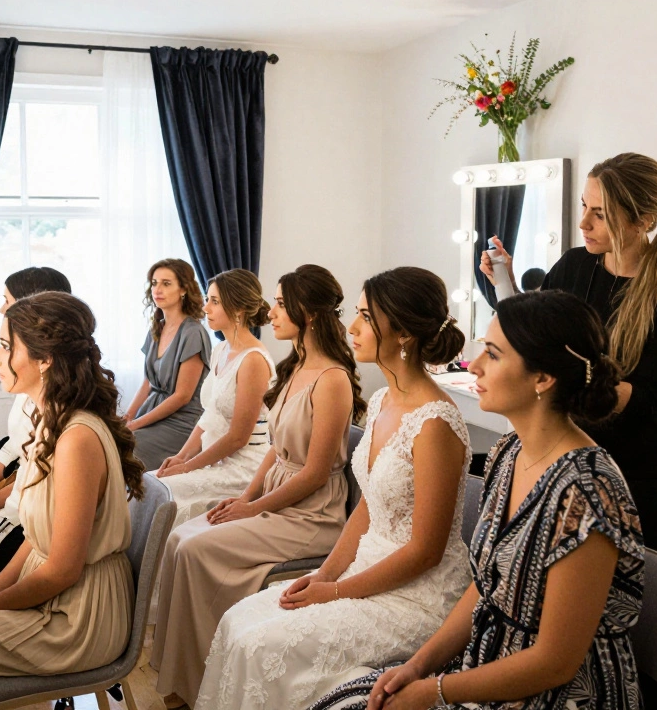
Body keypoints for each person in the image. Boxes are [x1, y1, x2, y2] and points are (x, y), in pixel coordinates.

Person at [313, 290, 644, 710]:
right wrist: (418, 666)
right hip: (486, 665)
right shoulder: (509, 453)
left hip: (561, 695)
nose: (474, 364)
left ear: (542, 378)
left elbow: (555, 662)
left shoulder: (588, 491)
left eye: (493, 353)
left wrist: (435, 690)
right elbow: (486, 587)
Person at [196, 267, 473, 710]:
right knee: (239, 619)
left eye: (365, 316)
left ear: (400, 332)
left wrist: (338, 590)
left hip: (418, 595)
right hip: (362, 565)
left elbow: (426, 551)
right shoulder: (383, 401)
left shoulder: (435, 422)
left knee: (262, 644)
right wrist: (324, 574)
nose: (351, 327)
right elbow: (368, 508)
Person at [151, 264, 366, 709]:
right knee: (179, 537)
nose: (271, 312)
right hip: (276, 495)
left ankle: (205, 682)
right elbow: (273, 448)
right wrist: (245, 497)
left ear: (308, 314)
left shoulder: (332, 380)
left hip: (314, 512)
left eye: (283, 304)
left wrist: (254, 509)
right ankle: (181, 677)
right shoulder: (295, 367)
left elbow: (312, 473)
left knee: (196, 548)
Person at [482, 153, 657, 554]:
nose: (583, 222)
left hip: (637, 474)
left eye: (599, 213)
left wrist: (563, 381)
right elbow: (534, 339)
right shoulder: (575, 265)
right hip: (567, 460)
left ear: (642, 221)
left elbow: (651, 396)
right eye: (585, 206)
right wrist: (505, 284)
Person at [0, 292, 146, 677]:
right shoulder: (49, 421)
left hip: (79, 617)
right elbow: (36, 541)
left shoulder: (76, 439)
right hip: (55, 592)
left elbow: (62, 571)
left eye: (6, 347)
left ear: (45, 359)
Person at [0, 267, 73, 589]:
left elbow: (28, 494)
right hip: (13, 515)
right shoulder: (36, 398)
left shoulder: (64, 424)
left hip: (14, 525)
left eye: (5, 347)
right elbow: (20, 459)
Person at [156, 268, 276, 530]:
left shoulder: (253, 360)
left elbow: (238, 437)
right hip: (214, 459)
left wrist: (188, 468)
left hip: (242, 467)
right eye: (208, 299)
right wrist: (181, 457)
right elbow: (209, 414)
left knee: (162, 491)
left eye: (215, 301)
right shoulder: (221, 349)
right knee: (151, 482)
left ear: (238, 310)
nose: (205, 308)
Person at [0, 267, 72, 495]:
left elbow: (31, 476)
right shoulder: (30, 370)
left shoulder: (40, 374)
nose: (2, 308)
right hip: (16, 456)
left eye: (6, 301)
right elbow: (16, 443)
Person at [126, 258, 213, 470]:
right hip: (152, 412)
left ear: (183, 289)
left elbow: (182, 396)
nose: (158, 289)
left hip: (182, 422)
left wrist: (136, 424)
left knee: (125, 448)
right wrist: (127, 418)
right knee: (111, 440)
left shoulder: (193, 333)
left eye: (166, 283)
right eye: (154, 283)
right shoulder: (157, 328)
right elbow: (147, 383)